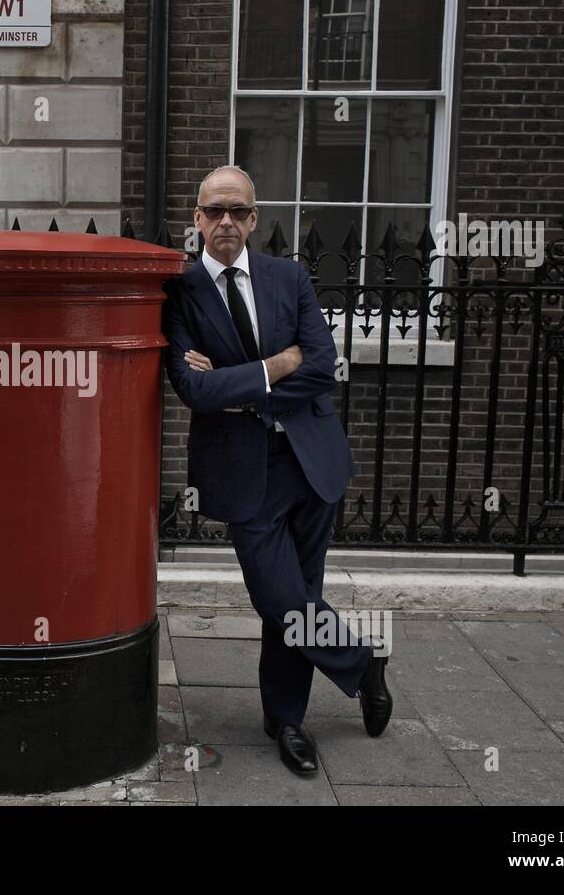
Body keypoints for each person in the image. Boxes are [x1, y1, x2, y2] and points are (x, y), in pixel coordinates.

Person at [161, 165, 393, 776]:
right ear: (197, 219)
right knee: (280, 597)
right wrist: (275, 365)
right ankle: (362, 662)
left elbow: (322, 366)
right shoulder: (181, 292)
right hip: (245, 471)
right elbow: (193, 388)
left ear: (255, 219)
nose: (226, 222)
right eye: (214, 211)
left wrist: (244, 385)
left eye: (238, 211)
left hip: (311, 461)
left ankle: (286, 719)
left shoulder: (287, 276)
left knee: (301, 597)